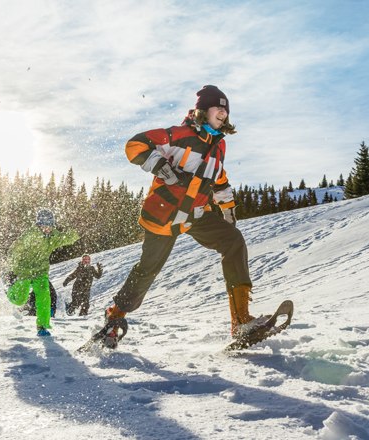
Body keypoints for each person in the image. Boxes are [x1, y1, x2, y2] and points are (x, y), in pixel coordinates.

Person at [101, 85, 254, 345]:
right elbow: (135, 145)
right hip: (165, 215)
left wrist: (228, 208)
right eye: (219, 107)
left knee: (233, 241)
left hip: (195, 214)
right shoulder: (179, 134)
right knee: (148, 270)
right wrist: (161, 167)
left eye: (227, 109)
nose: (224, 113)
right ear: (203, 110)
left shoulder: (219, 146)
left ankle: (241, 322)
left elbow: (218, 177)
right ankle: (114, 316)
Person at [6, 209, 79, 336]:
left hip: (41, 272)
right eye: (44, 225)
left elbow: (65, 238)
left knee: (44, 298)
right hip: (24, 271)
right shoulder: (30, 235)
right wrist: (13, 268)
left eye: (49, 225)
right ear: (39, 224)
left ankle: (42, 326)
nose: (47, 229)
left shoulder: (53, 236)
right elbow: (15, 249)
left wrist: (76, 232)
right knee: (20, 300)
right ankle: (10, 289)